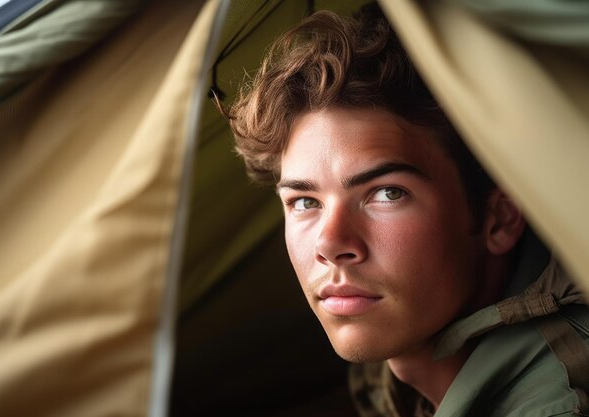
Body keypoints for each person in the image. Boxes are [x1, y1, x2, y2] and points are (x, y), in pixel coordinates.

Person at [220, 5, 589, 416]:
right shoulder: (393, 363)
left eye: (387, 194)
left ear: (499, 218)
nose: (329, 243)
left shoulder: (557, 403)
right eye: (305, 202)